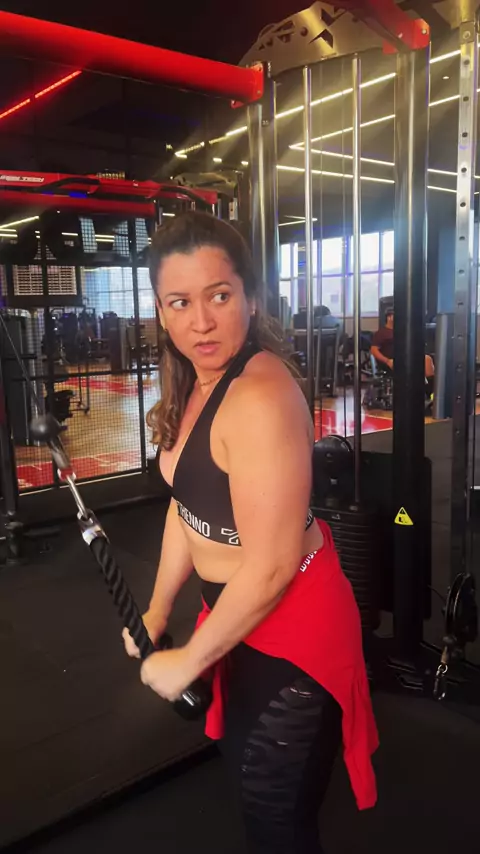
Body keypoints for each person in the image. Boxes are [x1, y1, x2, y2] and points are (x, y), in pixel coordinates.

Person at [123, 211, 378, 853]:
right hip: (236, 618)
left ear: (251, 297)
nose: (201, 322)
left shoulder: (260, 396)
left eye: (219, 296)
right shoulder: (193, 384)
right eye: (180, 302)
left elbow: (271, 566)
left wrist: (189, 660)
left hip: (293, 631)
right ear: (161, 312)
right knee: (251, 789)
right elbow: (185, 507)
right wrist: (157, 610)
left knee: (276, 814)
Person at [371, 309, 435, 397]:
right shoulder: (381, 333)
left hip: (406, 357)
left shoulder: (402, 331)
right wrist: (387, 361)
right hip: (391, 361)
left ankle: (430, 393)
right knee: (425, 360)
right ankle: (426, 393)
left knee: (427, 359)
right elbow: (374, 350)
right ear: (389, 317)